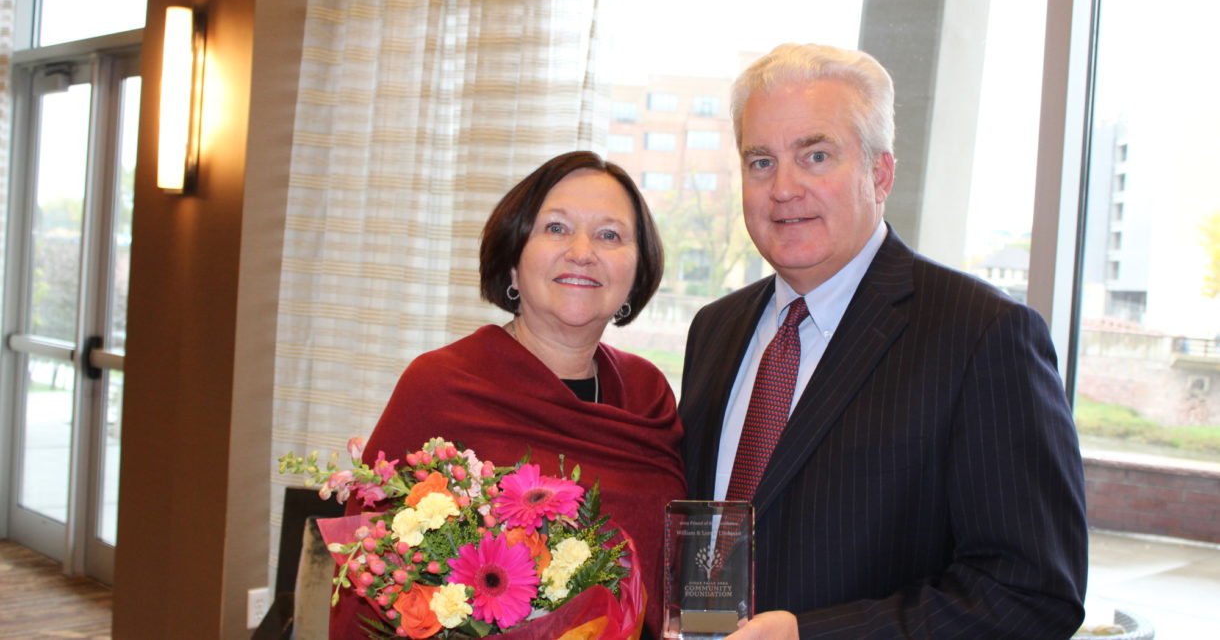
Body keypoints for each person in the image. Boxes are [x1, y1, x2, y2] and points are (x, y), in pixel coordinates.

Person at [679, 43, 1088, 637]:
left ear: (880, 172)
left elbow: (1030, 592)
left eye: (815, 155)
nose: (783, 187)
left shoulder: (981, 334)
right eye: (760, 161)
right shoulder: (715, 329)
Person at [331, 151, 795, 639]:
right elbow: (370, 582)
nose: (582, 251)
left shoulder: (646, 393)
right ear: (513, 261)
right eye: (556, 228)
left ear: (636, 275)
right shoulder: (440, 385)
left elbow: (681, 561)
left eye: (609, 235)